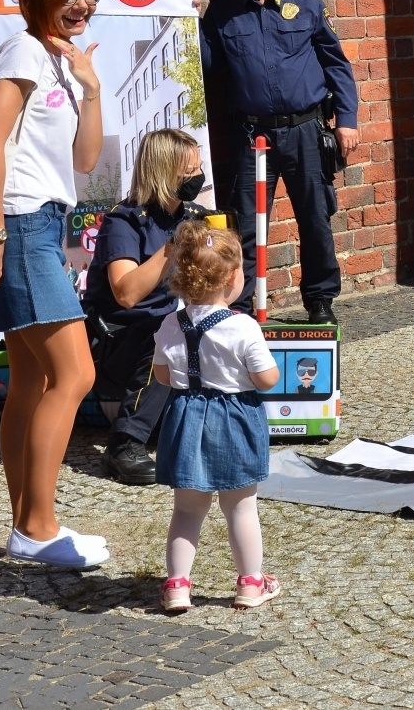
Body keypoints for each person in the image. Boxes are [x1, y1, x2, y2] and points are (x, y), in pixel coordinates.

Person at [0, 0, 109, 570]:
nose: (83, 6)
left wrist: (92, 89)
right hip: (20, 225)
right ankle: (38, 528)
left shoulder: (58, 62)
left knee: (31, 380)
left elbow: (83, 161)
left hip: (45, 222)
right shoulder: (23, 49)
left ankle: (27, 523)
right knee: (76, 375)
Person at [199, 0, 360, 325]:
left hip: (304, 129)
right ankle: (241, 306)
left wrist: (347, 120)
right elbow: (205, 67)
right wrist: (187, 25)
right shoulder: (222, 11)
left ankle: (320, 301)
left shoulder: (305, 7)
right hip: (251, 135)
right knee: (247, 225)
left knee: (315, 217)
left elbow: (336, 65)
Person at [153, 220, 282, 613]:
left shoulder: (169, 323)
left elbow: (162, 375)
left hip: (185, 417)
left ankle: (177, 585)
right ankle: (250, 584)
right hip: (233, 421)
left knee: (187, 510)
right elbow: (266, 380)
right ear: (230, 277)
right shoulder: (243, 327)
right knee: (240, 507)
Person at [82, 129, 210, 485]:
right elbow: (125, 293)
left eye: (199, 169)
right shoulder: (124, 221)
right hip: (118, 338)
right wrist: (172, 247)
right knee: (169, 332)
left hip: (162, 330)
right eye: (188, 172)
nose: (197, 179)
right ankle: (124, 443)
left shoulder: (195, 215)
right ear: (163, 171)